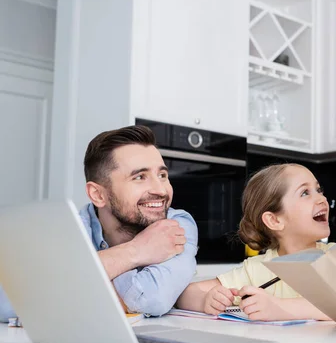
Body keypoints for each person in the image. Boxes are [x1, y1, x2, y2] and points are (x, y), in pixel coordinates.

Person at [0, 125, 198, 321]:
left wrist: (56, 289)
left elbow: (152, 298)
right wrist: (135, 251)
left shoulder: (177, 224)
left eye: (162, 175)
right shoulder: (67, 231)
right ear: (98, 194)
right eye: (140, 177)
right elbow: (7, 302)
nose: (161, 190)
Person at [177, 163, 331, 321]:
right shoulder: (256, 270)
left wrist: (280, 308)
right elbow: (184, 294)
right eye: (305, 193)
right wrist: (206, 300)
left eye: (319, 190)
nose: (322, 198)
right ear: (274, 220)